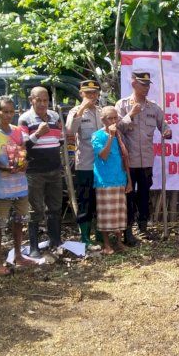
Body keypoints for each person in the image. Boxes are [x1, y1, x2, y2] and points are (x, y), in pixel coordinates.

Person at [115, 70, 172, 245]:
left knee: (144, 195)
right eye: (143, 84)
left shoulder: (153, 107)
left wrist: (167, 131)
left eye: (148, 85)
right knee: (128, 196)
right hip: (128, 160)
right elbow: (116, 129)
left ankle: (143, 228)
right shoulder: (123, 105)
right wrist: (131, 114)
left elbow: (164, 125)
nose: (146, 88)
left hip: (146, 160)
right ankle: (128, 230)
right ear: (134, 84)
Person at [19, 86, 64, 257]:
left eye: (46, 100)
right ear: (32, 100)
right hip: (34, 172)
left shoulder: (54, 116)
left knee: (55, 207)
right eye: (39, 100)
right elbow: (23, 146)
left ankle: (55, 240)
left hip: (54, 169)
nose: (43, 103)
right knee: (35, 210)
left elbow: (59, 141)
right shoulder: (25, 119)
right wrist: (38, 133)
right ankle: (34, 247)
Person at [0, 96, 33, 274]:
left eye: (11, 111)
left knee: (19, 221)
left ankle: (18, 255)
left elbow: (23, 152)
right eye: (4, 111)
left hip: (20, 184)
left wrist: (23, 163)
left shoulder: (17, 132)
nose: (8, 115)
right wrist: (4, 167)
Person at [66, 79, 104, 245]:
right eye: (88, 93)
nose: (92, 96)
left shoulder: (101, 111)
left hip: (103, 165)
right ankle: (85, 238)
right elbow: (70, 131)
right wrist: (81, 109)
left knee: (101, 201)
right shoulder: (75, 111)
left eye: (95, 93)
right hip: (85, 164)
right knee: (85, 201)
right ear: (81, 94)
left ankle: (102, 236)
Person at [91, 106, 132, 255]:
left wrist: (129, 180)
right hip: (104, 181)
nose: (113, 121)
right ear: (103, 120)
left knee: (119, 214)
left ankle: (119, 243)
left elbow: (125, 158)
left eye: (116, 118)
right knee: (106, 215)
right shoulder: (97, 136)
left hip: (119, 179)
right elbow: (103, 155)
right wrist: (110, 137)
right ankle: (107, 245)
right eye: (110, 118)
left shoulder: (120, 136)